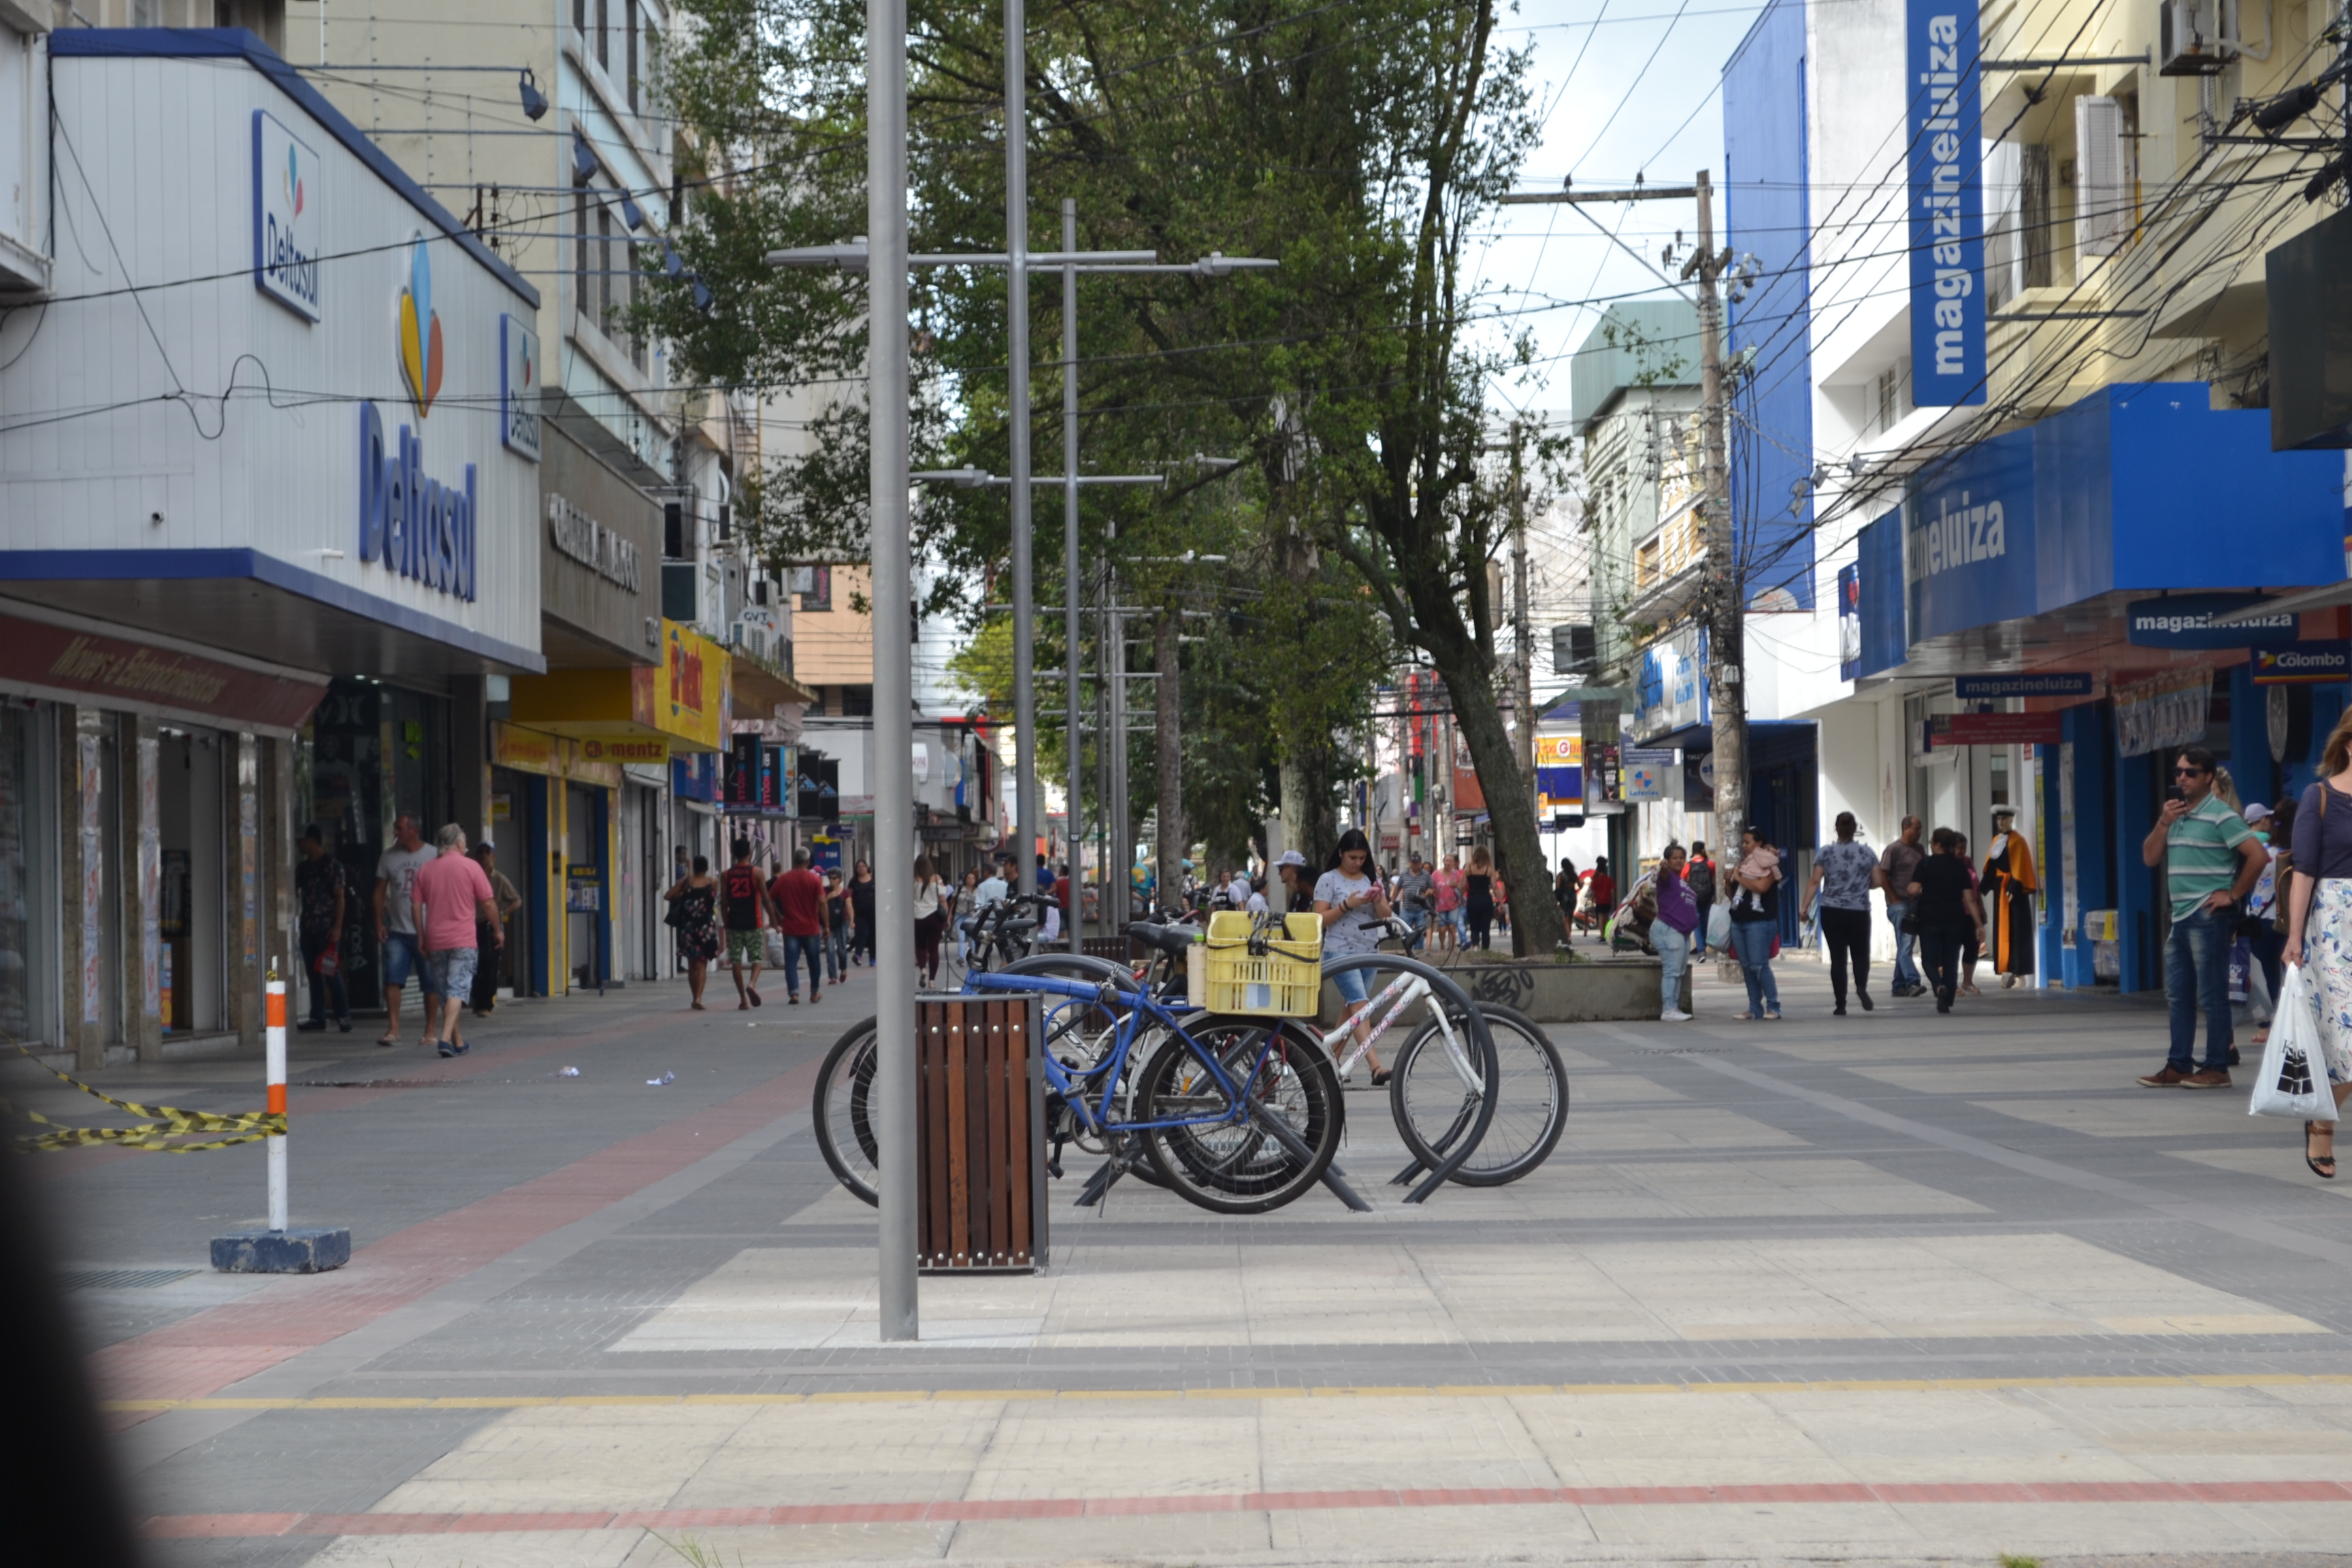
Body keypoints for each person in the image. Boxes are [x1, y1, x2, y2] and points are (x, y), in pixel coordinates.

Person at [2139, 745, 2267, 1089]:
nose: (2182, 777)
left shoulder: (2222, 815)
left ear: (2208, 777)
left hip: (2209, 916)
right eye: (2178, 771)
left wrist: (2234, 894)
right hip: (2181, 917)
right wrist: (2164, 821)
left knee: (2211, 994)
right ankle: (2178, 1064)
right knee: (2178, 993)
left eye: (2190, 772)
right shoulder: (2175, 815)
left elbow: (2258, 856)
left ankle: (2217, 1067)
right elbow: (2150, 858)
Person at [2281, 720, 2352, 1177]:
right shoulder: (2319, 797)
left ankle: (2322, 1112)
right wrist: (2294, 936)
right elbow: (2304, 871)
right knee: (2347, 1037)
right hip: (2333, 925)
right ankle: (2322, 1122)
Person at [410, 824, 502, 1058]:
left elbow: (416, 905)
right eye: (465, 842)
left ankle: (457, 1041)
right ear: (460, 844)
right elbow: (488, 903)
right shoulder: (471, 867)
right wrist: (498, 929)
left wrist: (421, 937)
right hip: (463, 940)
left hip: (436, 941)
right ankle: (444, 1039)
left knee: (447, 993)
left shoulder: (425, 870)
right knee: (457, 990)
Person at [1314, 827, 1394, 1081]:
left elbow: (1385, 915)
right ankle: (1375, 1066)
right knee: (1360, 1006)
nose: (1357, 862)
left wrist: (1378, 899)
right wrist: (1347, 905)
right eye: (1352, 858)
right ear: (1341, 853)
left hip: (1369, 951)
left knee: (1351, 1011)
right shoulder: (1328, 879)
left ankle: (1329, 1061)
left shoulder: (1370, 878)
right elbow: (1318, 920)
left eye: (1361, 858)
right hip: (1340, 951)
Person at [372, 813, 440, 1048]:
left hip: (428, 930)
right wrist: (379, 921)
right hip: (398, 931)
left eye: (400, 828)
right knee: (392, 979)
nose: (396, 833)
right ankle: (393, 1029)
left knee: (430, 983)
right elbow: (380, 890)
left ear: (414, 830)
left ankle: (430, 1030)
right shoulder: (388, 857)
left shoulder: (433, 855)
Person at [1806, 811, 1880, 1016]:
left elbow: (1814, 881)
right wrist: (1863, 886)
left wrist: (1804, 907)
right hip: (1859, 910)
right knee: (1861, 954)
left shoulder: (1826, 853)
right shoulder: (1867, 853)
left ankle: (1841, 1004)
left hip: (1832, 910)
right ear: (1855, 829)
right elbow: (1878, 881)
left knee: (1838, 958)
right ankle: (1862, 987)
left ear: (1836, 828)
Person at [1905, 828, 1984, 1013]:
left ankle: (1939, 987)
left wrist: (1908, 888)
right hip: (1955, 918)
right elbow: (1970, 898)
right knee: (1951, 960)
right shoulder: (1960, 866)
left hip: (1930, 918)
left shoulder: (1926, 864)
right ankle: (1946, 1002)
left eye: (1932, 842)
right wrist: (1979, 924)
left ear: (1938, 844)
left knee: (1929, 960)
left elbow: (1913, 890)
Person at [293, 825, 350, 1034]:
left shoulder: (332, 866)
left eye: (301, 840)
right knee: (313, 974)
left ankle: (343, 1015)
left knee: (330, 972)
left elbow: (340, 898)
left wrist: (337, 927)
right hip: (308, 928)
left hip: (326, 929)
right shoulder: (303, 868)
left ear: (311, 840)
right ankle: (317, 1017)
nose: (298, 844)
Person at [1726, 826, 1783, 1020]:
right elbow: (1732, 895)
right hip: (1739, 921)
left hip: (1759, 922)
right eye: (1743, 842)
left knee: (1759, 965)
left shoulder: (1768, 865)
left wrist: (1739, 877)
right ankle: (1754, 1008)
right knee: (1747, 965)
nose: (1744, 846)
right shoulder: (1745, 864)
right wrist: (1729, 882)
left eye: (1748, 842)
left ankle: (1774, 1007)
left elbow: (1761, 886)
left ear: (1758, 844)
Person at [1979, 806, 2039, 990]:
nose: (2001, 822)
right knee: (2002, 931)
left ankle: (2020, 972)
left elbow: (2020, 866)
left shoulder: (2018, 841)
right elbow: (1992, 866)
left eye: (2004, 819)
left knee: (2017, 931)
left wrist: (2014, 886)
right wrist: (1981, 888)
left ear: (2011, 820)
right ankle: (2005, 969)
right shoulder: (1997, 840)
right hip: (2000, 891)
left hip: (2014, 893)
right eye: (1999, 819)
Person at [719, 838, 774, 1009]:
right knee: (757, 959)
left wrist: (726, 921)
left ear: (734, 854)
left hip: (734, 923)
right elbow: (765, 898)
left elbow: (723, 901)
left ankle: (743, 999)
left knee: (735, 961)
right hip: (754, 922)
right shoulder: (757, 873)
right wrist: (773, 919)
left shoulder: (726, 875)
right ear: (749, 853)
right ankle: (752, 984)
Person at [468, 842, 522, 1015]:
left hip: (490, 925)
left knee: (489, 963)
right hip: (470, 925)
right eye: (480, 852)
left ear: (493, 856)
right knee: (472, 964)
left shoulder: (499, 879)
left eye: (487, 852)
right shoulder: (470, 876)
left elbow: (516, 900)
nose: (484, 855)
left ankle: (486, 1004)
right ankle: (475, 999)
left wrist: (503, 913)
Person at [1878, 817, 1927, 997]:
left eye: (1920, 828)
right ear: (1906, 828)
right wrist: (1894, 899)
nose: (1919, 832)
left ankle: (1898, 985)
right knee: (1906, 944)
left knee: (1904, 944)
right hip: (1899, 905)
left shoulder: (1920, 850)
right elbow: (1883, 876)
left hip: (1915, 905)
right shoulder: (1894, 850)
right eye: (1917, 828)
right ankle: (1913, 981)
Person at [770, 848, 827, 1003]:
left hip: (791, 928)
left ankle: (794, 993)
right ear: (808, 862)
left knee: (791, 962)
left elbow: (769, 899)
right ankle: (814, 993)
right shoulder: (815, 880)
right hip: (811, 928)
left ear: (794, 861)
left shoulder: (783, 879)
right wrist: (827, 926)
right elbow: (822, 902)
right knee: (814, 961)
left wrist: (777, 918)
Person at [664, 856, 721, 1009]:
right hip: (706, 928)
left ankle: (694, 997)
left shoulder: (686, 882)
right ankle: (699, 998)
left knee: (692, 964)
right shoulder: (713, 882)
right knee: (702, 964)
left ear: (694, 867)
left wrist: (683, 894)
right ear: (707, 867)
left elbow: (668, 895)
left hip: (688, 927)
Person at [1653, 843, 1697, 1020]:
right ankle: (1669, 1008)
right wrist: (1663, 869)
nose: (1679, 861)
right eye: (1675, 858)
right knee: (1672, 971)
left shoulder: (1681, 880)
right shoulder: (1667, 877)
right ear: (1667, 861)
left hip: (1682, 932)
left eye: (1682, 857)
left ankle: (1674, 1007)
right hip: (1669, 929)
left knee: (1679, 972)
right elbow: (1662, 875)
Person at [1953, 834, 1984, 996]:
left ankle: (1968, 981)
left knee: (1972, 946)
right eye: (1959, 848)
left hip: (1970, 913)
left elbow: (1975, 890)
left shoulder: (1968, 861)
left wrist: (1981, 911)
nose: (1962, 851)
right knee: (1953, 948)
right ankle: (1951, 984)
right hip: (1954, 912)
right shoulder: (1947, 864)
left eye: (1964, 848)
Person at [1394, 854, 1435, 953]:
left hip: (1421, 910)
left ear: (1420, 863)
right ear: (1411, 863)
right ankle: (1407, 952)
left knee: (1419, 934)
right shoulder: (1404, 874)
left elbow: (1432, 888)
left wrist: (1428, 893)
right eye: (1413, 863)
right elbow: (1397, 888)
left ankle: (1418, 952)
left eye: (1417, 863)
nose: (1415, 865)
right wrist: (1391, 901)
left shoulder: (1426, 875)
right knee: (1406, 933)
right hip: (1407, 909)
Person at [1463, 847, 1497, 951]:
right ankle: (1485, 949)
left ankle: (1475, 947)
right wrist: (1500, 901)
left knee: (1474, 926)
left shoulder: (1468, 867)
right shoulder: (1489, 868)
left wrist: (1460, 898)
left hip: (1472, 899)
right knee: (1486, 928)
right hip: (1486, 899)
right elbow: (1495, 886)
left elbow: (1463, 885)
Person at [1685, 842, 1716, 955]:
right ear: (1703, 850)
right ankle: (1704, 944)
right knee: (1706, 922)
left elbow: (1682, 880)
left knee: (1697, 924)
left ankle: (1701, 949)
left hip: (1694, 898)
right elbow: (1714, 879)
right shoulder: (1710, 864)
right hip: (1707, 897)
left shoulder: (1688, 865)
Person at [826, 868, 855, 980]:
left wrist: (852, 920)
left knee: (842, 949)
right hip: (829, 923)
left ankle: (843, 969)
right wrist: (829, 897)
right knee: (829, 949)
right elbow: (821, 903)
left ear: (840, 879)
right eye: (830, 878)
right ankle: (832, 976)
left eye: (834, 878)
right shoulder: (826, 891)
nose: (831, 880)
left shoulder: (845, 892)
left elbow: (849, 907)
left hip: (841, 922)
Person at [1433, 853, 1464, 953]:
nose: (1448, 863)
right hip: (1440, 905)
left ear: (1454, 863)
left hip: (1454, 904)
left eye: (1451, 861)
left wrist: (1457, 885)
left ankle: (1451, 948)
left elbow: (1463, 888)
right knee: (1442, 928)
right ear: (1443, 861)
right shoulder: (1436, 874)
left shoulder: (1457, 874)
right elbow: (1431, 887)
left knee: (1452, 926)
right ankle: (1442, 945)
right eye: (1447, 861)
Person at [850, 860, 878, 966]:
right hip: (860, 913)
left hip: (874, 913)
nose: (861, 868)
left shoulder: (874, 880)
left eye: (863, 866)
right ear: (856, 869)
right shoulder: (854, 881)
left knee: (873, 936)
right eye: (859, 866)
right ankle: (858, 955)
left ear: (867, 867)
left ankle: (873, 958)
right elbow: (849, 896)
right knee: (861, 934)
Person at [1275, 848, 1316, 914]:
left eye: (1281, 868)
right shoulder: (1295, 898)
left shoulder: (1309, 894)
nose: (1279, 873)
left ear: (1291, 868)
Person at [1584, 857, 1617, 936]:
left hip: (1599, 901)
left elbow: (1594, 892)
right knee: (1606, 918)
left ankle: (1602, 935)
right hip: (1608, 900)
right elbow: (1612, 891)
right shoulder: (1609, 879)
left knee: (1601, 918)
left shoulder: (1596, 880)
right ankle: (1606, 934)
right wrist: (1613, 901)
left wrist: (1591, 901)